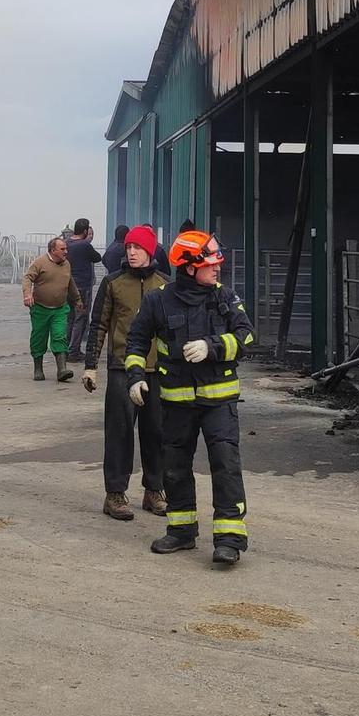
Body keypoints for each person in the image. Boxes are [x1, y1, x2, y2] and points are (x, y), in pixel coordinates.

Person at [124, 228, 256, 565]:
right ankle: (181, 532)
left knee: (225, 466)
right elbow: (137, 341)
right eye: (210, 264)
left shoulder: (224, 297)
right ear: (188, 267)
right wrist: (136, 378)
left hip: (219, 403)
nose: (217, 269)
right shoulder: (158, 300)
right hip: (177, 402)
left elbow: (248, 337)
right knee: (175, 468)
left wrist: (213, 346)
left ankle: (229, 540)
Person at [82, 224, 167, 521]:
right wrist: (91, 366)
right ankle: (115, 494)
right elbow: (99, 324)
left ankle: (154, 490)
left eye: (137, 248)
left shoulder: (165, 284)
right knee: (119, 432)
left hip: (156, 369)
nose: (131, 252)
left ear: (150, 250)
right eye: (129, 247)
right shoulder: (114, 283)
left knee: (157, 432)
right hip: (121, 367)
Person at [21, 234, 84, 383]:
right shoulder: (40, 263)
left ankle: (62, 369)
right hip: (40, 308)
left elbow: (70, 282)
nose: (66, 251)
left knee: (59, 335)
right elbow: (27, 278)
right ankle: (38, 369)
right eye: (62, 249)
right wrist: (27, 294)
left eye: (66, 248)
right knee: (39, 337)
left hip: (60, 309)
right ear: (52, 250)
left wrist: (77, 299)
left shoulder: (66, 264)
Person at [64, 218, 103, 321]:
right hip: (82, 286)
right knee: (80, 317)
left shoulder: (66, 243)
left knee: (69, 317)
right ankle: (79, 338)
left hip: (67, 285)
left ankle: (68, 337)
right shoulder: (85, 245)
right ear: (85, 231)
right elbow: (97, 257)